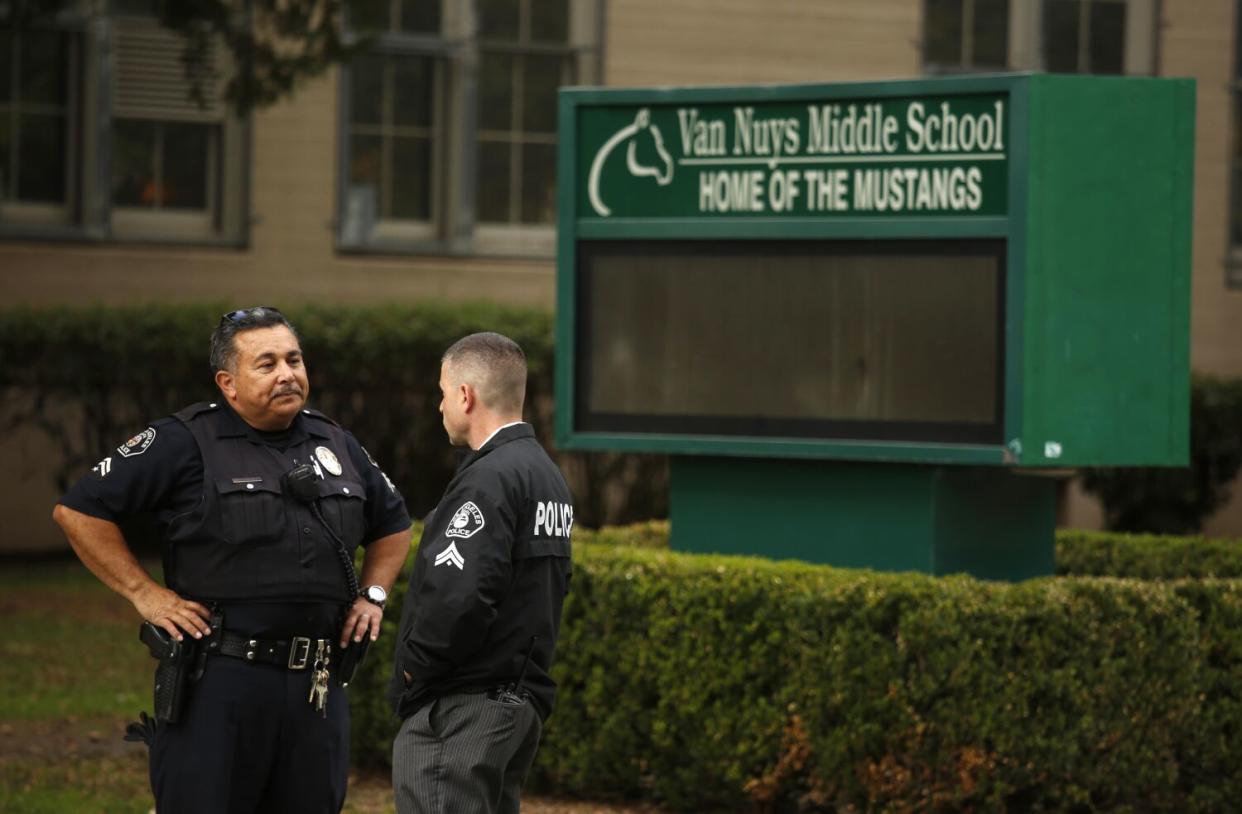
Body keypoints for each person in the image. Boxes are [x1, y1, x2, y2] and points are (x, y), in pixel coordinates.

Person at [51, 306, 412, 814]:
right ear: (228, 382)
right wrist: (145, 593)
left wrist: (373, 595)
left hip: (316, 687)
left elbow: (393, 523)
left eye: (294, 360)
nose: (287, 374)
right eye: (267, 364)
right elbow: (79, 511)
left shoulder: (336, 442)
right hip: (220, 683)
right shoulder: (185, 441)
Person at [390, 332, 574, 814]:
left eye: (443, 393)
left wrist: (416, 668)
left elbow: (461, 596)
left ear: (465, 395)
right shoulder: (546, 475)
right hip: (516, 703)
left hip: (462, 710)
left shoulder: (488, 479)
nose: (440, 406)